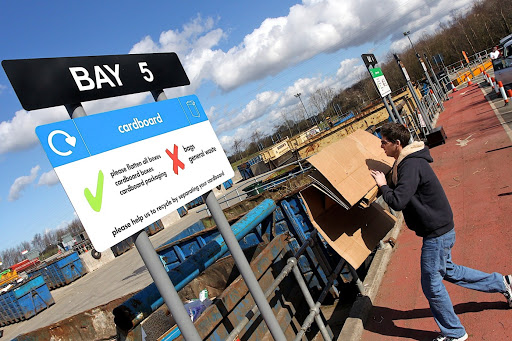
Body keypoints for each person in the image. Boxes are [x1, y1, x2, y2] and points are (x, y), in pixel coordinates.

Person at [370, 122, 512, 341]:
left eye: (384, 142)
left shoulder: (409, 165)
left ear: (397, 143)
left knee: (431, 285)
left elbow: (397, 201)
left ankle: (455, 333)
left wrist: (382, 185)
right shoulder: (408, 161)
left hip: (436, 232)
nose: (381, 146)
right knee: (449, 271)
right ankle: (503, 283)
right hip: (440, 227)